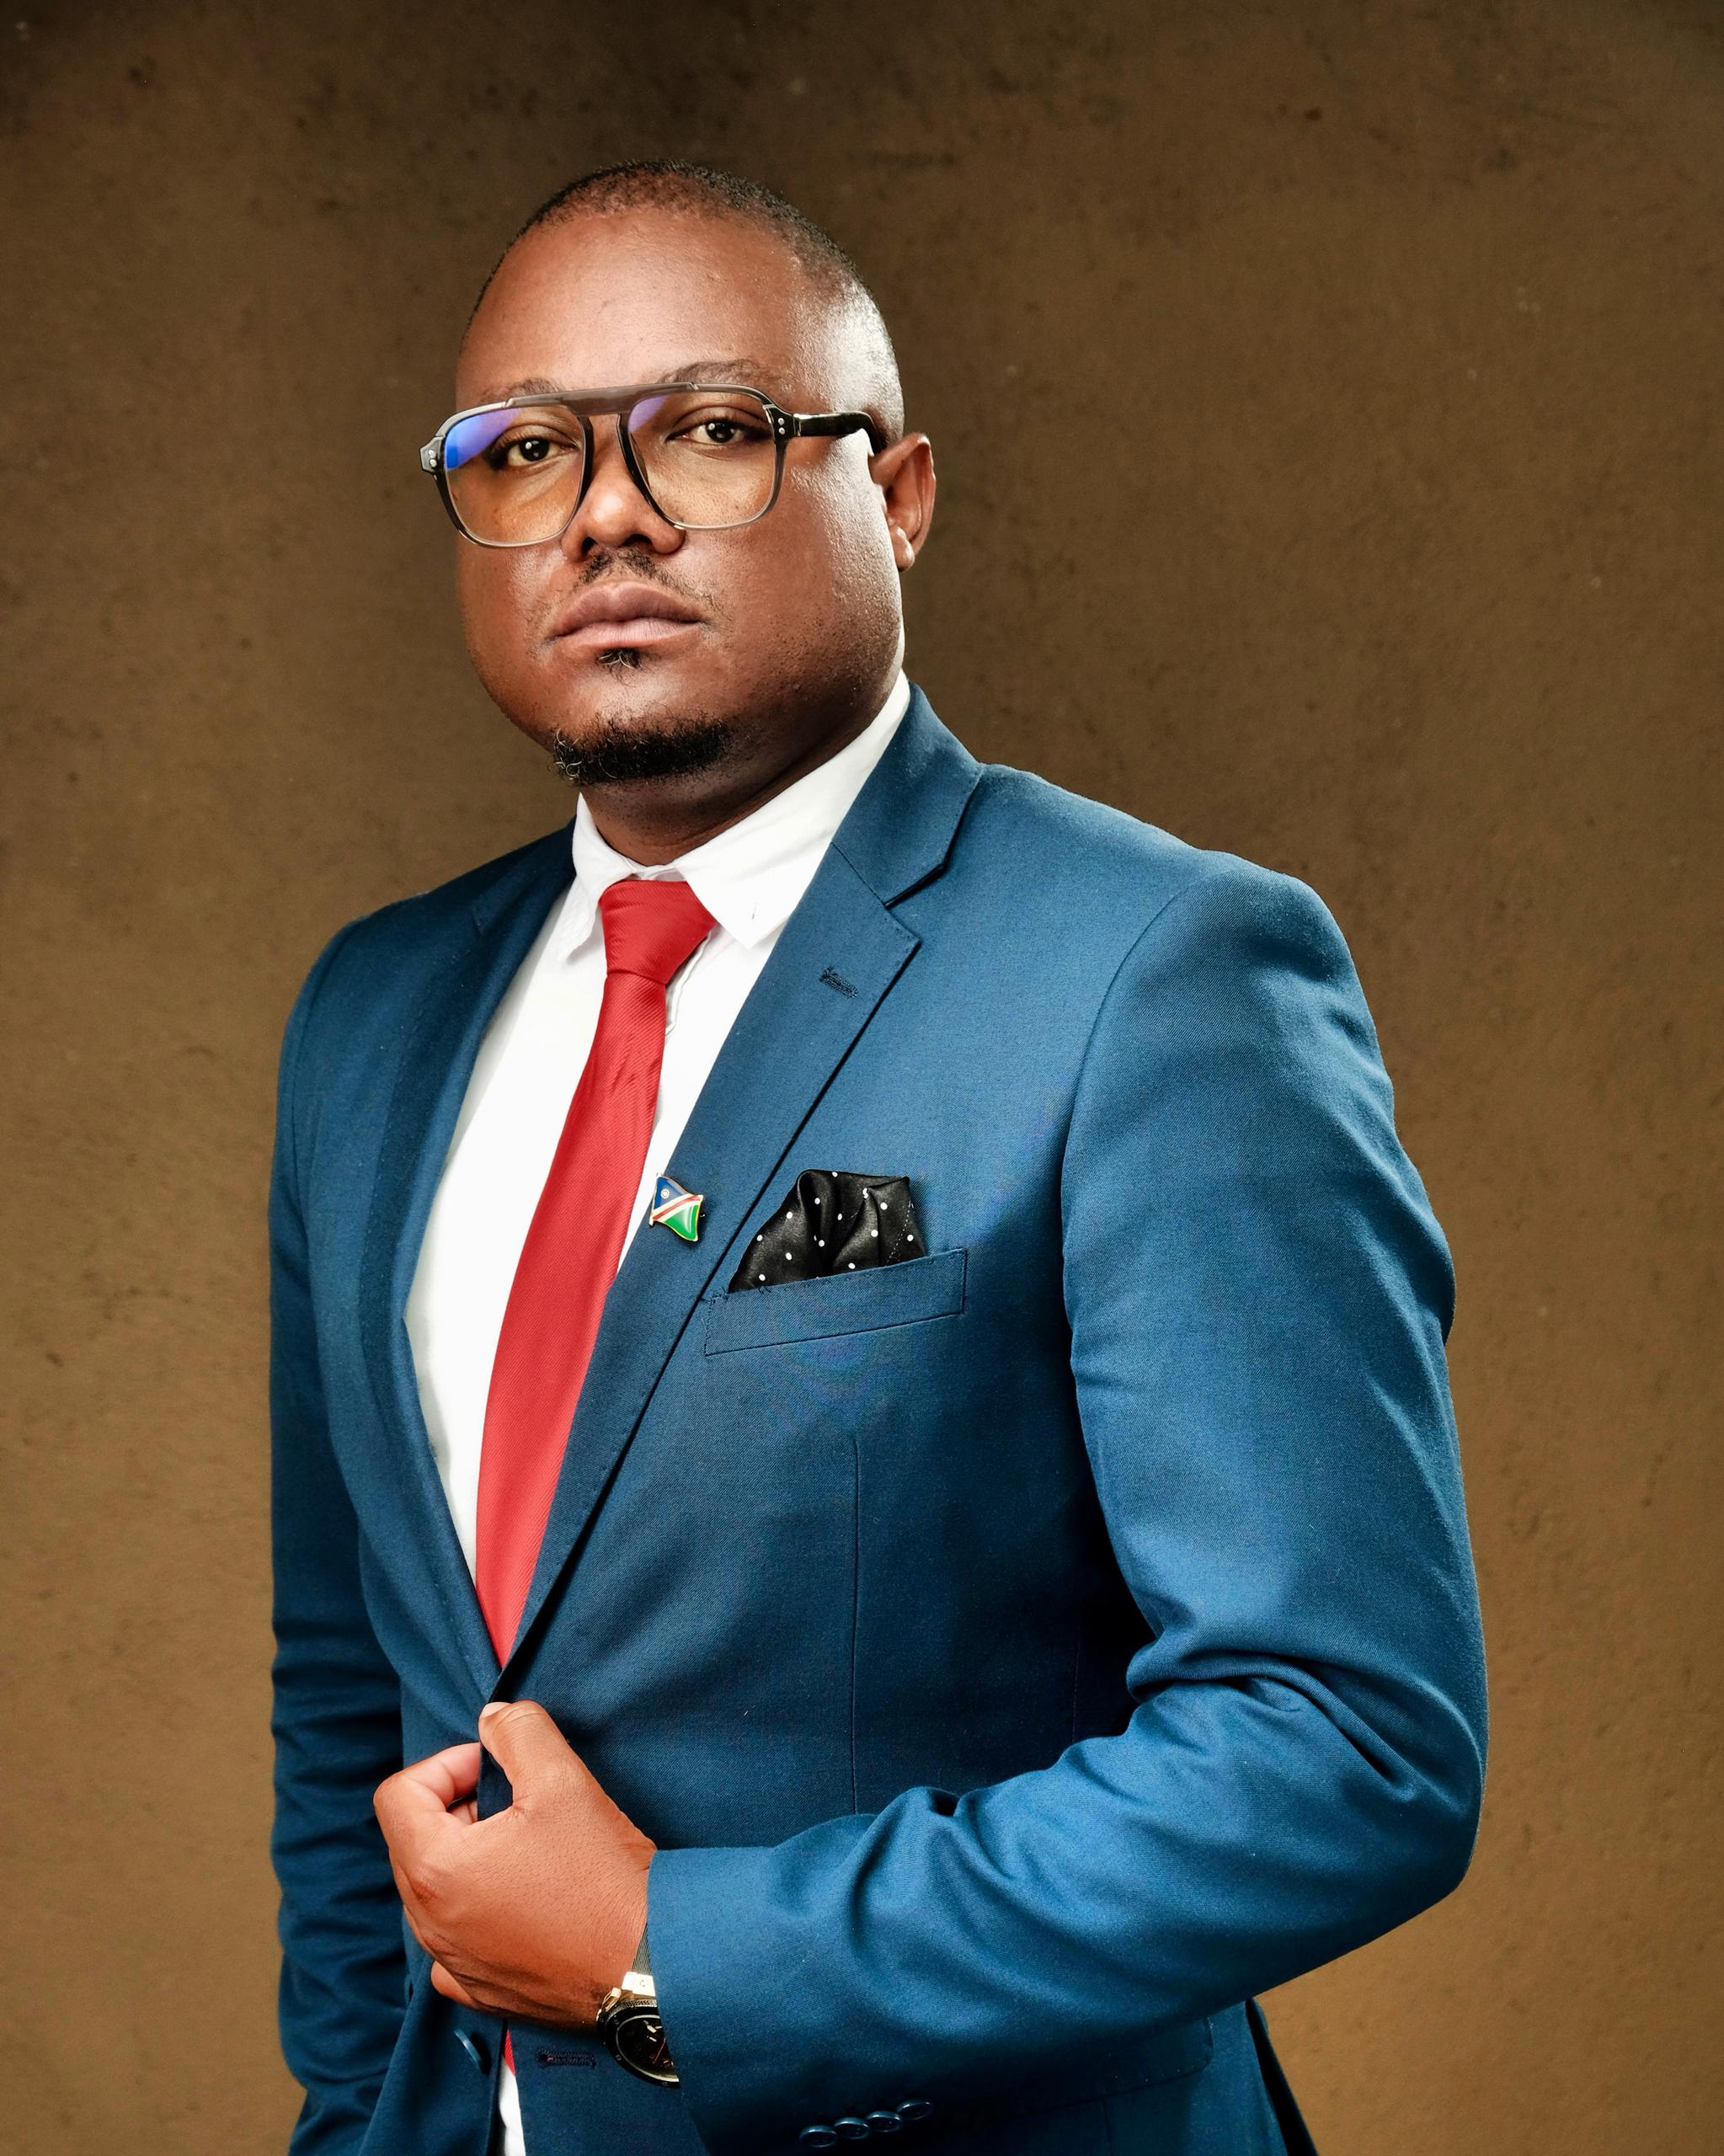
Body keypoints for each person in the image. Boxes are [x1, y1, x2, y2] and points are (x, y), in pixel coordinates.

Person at [267, 161, 1487, 2156]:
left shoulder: (1154, 972)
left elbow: (1343, 1748)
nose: (606, 511)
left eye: (710, 429)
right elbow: (351, 1688)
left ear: (898, 492)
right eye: (526, 450)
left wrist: (674, 1958)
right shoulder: (373, 1016)